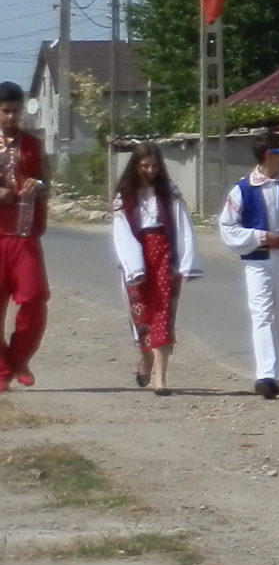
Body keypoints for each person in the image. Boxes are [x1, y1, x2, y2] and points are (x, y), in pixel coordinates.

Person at [218, 125, 279, 399]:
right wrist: (260, 237)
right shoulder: (243, 189)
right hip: (259, 259)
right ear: (269, 154)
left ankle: (277, 374)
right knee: (261, 313)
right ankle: (265, 374)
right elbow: (228, 227)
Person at [111, 143, 199, 395]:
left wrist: (187, 262)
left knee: (163, 313)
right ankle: (147, 356)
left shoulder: (169, 193)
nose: (150, 171)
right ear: (135, 166)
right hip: (136, 256)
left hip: (164, 256)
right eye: (144, 166)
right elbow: (122, 233)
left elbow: (183, 226)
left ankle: (161, 380)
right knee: (140, 315)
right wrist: (133, 264)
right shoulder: (125, 197)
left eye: (154, 166)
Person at [0, 81, 50, 388]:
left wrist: (38, 186)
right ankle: (2, 369)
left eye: (15, 112)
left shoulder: (33, 145)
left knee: (34, 297)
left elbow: (47, 183)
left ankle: (19, 357)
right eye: (5, 111)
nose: (11, 117)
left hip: (24, 233)